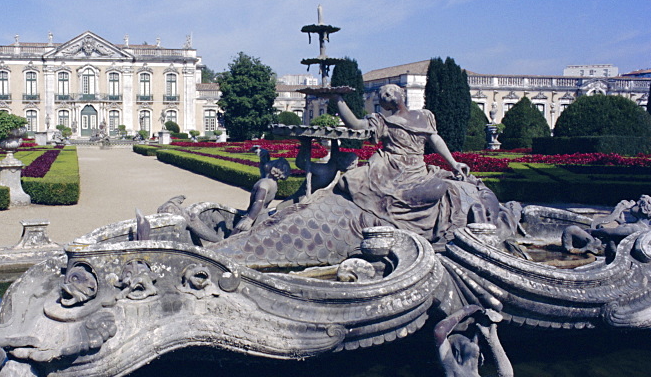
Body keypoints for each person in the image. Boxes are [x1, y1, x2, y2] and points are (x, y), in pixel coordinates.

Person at [210, 84, 517, 269]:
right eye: (382, 96)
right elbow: (356, 125)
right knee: (357, 185)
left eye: (388, 94)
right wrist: (338, 100)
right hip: (388, 169)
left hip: (417, 170)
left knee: (448, 189)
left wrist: (453, 163)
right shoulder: (381, 119)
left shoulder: (424, 117)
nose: (386, 96)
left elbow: (435, 141)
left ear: (400, 96)